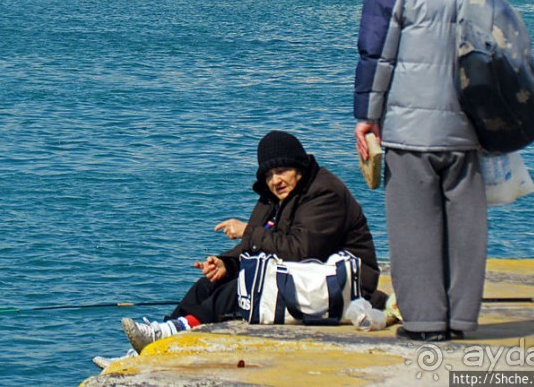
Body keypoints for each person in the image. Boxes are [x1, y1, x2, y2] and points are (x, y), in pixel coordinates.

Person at [354, 0, 490, 342]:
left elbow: (376, 50)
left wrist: (367, 118)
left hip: (410, 127)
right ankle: (460, 320)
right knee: (466, 226)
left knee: (414, 226)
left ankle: (427, 321)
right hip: (469, 125)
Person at [121, 130, 380, 353]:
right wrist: (226, 264)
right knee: (209, 284)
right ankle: (158, 339)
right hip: (306, 277)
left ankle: (177, 329)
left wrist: (246, 231)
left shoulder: (324, 193)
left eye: (282, 171)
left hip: (346, 285)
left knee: (242, 289)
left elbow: (300, 250)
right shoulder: (273, 196)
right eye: (269, 175)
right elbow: (253, 245)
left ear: (299, 167)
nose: (275, 180)